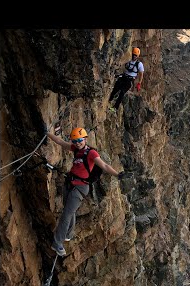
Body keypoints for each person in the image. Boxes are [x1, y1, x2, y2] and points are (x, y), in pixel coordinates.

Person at [45, 126, 126, 256]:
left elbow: (104, 165)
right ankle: (68, 234)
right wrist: (47, 133)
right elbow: (60, 142)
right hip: (70, 183)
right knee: (69, 210)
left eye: (80, 140)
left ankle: (57, 243)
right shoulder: (76, 149)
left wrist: (117, 174)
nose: (78, 143)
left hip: (81, 188)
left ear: (85, 139)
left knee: (66, 214)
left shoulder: (91, 153)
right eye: (75, 140)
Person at [108, 47, 144, 112]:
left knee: (122, 92)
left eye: (135, 55)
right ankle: (109, 99)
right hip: (124, 77)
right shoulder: (129, 61)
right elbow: (122, 65)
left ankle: (115, 107)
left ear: (137, 56)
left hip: (129, 80)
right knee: (115, 88)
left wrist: (139, 83)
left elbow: (141, 74)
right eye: (133, 55)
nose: (134, 56)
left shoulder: (139, 64)